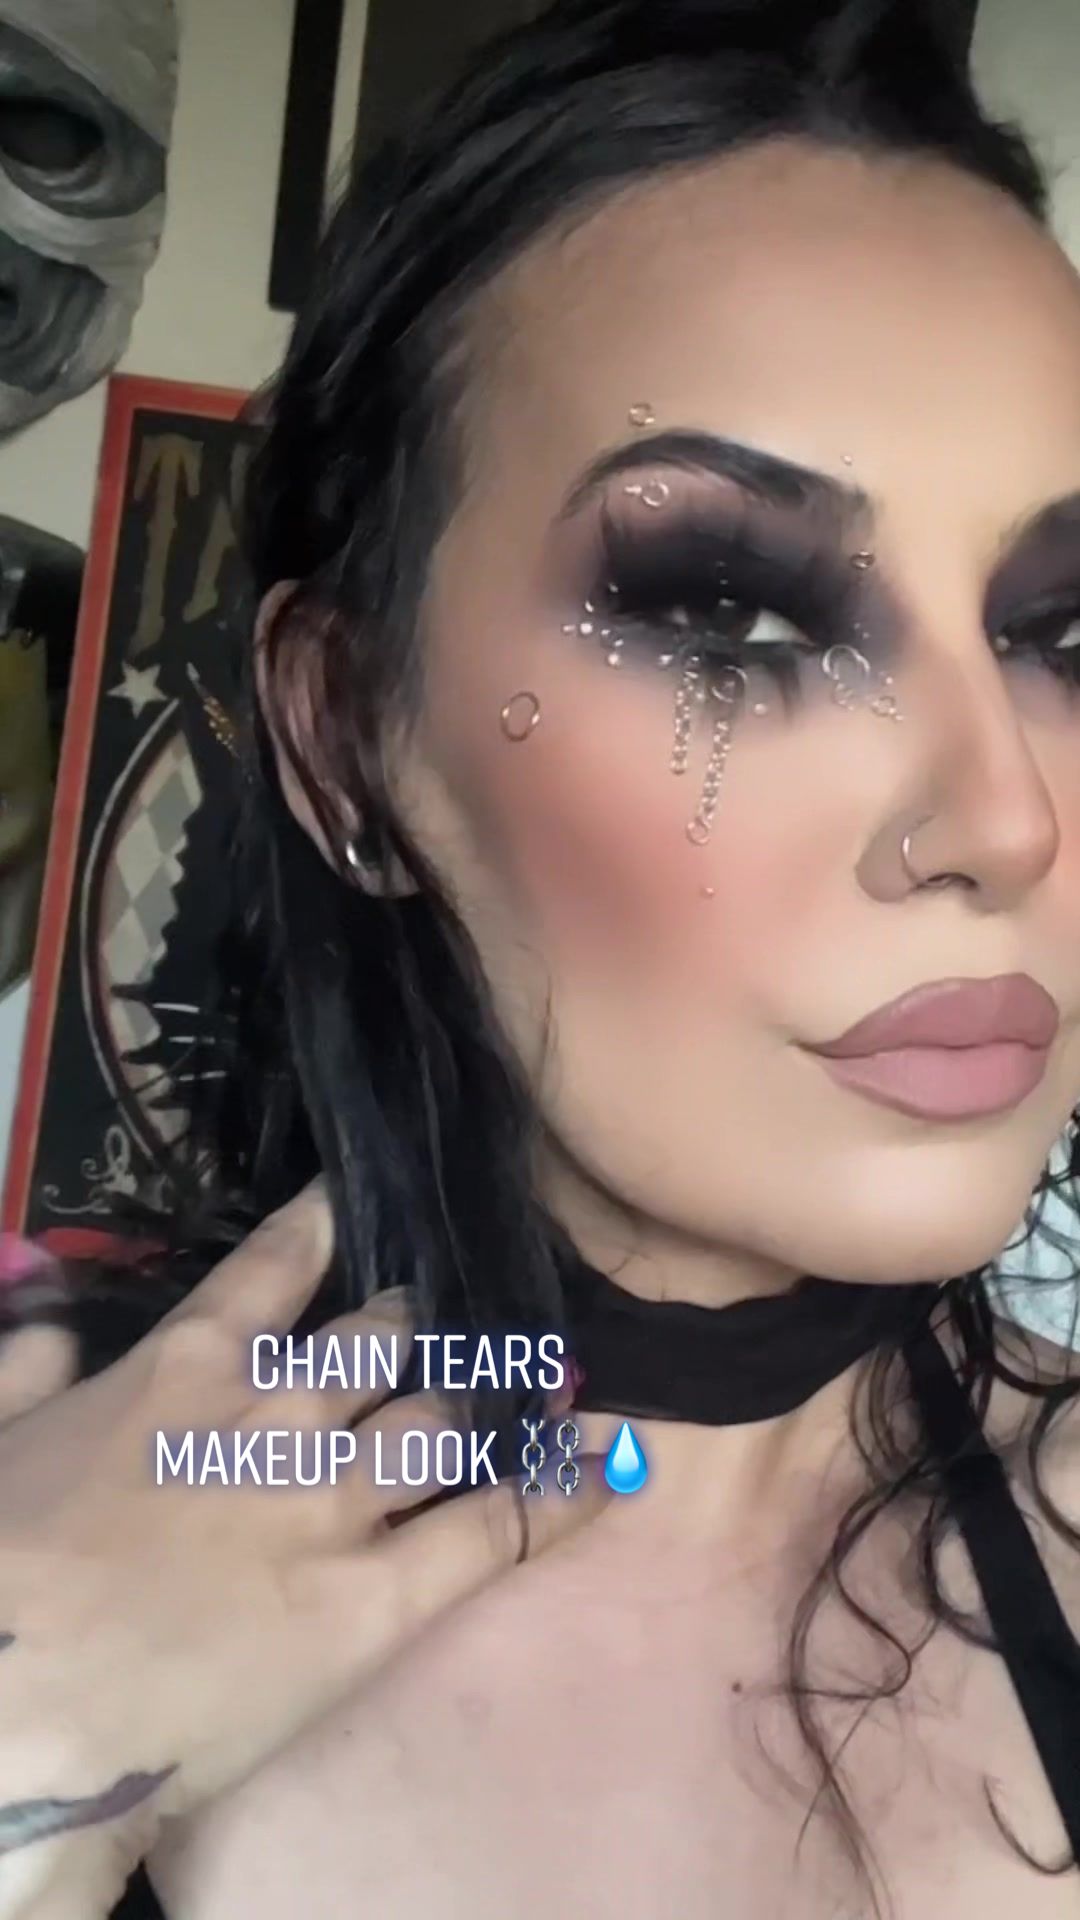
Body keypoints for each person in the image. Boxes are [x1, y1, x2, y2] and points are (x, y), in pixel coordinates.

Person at [1, 0, 1079, 1913]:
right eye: (733, 617)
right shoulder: (43, 1478)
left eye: (1064, 631)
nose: (1005, 821)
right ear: (346, 737)